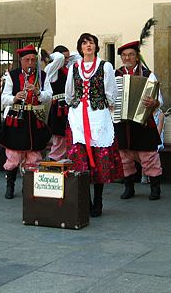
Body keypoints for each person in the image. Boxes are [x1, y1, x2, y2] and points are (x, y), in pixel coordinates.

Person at [65, 33, 123, 217]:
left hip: (98, 116)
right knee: (80, 161)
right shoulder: (74, 67)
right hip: (79, 118)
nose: (88, 46)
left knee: (99, 160)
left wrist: (101, 103)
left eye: (91, 43)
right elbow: (69, 93)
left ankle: (98, 200)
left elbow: (111, 93)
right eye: (84, 43)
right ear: (80, 47)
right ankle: (86, 200)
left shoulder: (105, 66)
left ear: (96, 46)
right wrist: (76, 105)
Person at [0, 44, 52, 199]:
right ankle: (10, 186)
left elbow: (49, 95)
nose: (30, 63)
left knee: (34, 155)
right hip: (16, 117)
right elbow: (3, 98)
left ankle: (28, 187)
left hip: (34, 117)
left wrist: (37, 92)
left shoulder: (42, 76)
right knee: (14, 155)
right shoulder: (12, 75)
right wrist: (15, 97)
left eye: (33, 60)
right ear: (21, 60)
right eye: (27, 60)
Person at [114, 41, 164, 200]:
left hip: (143, 122)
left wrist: (154, 103)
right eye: (124, 55)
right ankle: (129, 187)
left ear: (137, 57)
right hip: (122, 122)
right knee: (124, 156)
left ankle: (155, 188)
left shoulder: (148, 75)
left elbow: (159, 101)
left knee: (149, 155)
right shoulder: (116, 75)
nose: (127, 58)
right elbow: (110, 97)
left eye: (131, 55)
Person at [44, 46, 71, 161]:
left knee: (69, 136)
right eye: (65, 57)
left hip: (68, 106)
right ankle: (54, 160)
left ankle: (65, 160)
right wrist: (52, 56)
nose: (67, 60)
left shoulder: (67, 69)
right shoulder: (52, 70)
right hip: (58, 108)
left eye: (68, 57)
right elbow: (59, 58)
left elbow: (77, 57)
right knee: (59, 137)